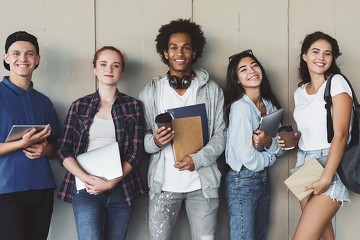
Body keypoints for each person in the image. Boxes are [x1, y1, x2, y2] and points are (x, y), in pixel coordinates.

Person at [139, 18, 225, 240]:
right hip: (163, 185)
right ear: (165, 53)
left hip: (202, 185)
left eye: (186, 47)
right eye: (174, 47)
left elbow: (220, 136)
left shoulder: (212, 90)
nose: (180, 53)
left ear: (194, 52)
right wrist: (155, 142)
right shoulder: (151, 92)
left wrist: (198, 159)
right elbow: (142, 139)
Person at [57, 46, 145, 240]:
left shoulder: (134, 106)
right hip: (86, 188)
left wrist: (111, 183)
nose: (109, 69)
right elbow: (63, 149)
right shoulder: (79, 106)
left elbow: (136, 150)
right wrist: (86, 178)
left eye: (116, 65)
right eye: (103, 64)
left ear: (122, 71)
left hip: (122, 189)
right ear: (94, 68)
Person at [288, 31, 352, 239]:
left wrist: (326, 177)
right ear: (304, 55)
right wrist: (292, 138)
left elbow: (341, 134)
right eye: (315, 52)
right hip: (305, 163)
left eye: (327, 54)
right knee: (324, 237)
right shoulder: (299, 92)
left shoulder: (336, 83)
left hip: (330, 162)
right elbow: (310, 130)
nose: (321, 58)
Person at [0, 31, 62, 240]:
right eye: (16, 53)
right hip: (6, 190)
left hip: (42, 188)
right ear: (6, 58)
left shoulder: (44, 102)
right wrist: (21, 144)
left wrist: (47, 149)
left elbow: (56, 148)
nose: (23, 59)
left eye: (29, 54)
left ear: (37, 60)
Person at [223, 49, 285, 240]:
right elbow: (248, 159)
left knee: (259, 236)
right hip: (242, 181)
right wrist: (271, 152)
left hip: (262, 179)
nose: (251, 71)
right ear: (237, 80)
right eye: (243, 69)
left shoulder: (269, 104)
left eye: (254, 65)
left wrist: (268, 142)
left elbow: (282, 147)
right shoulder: (240, 108)